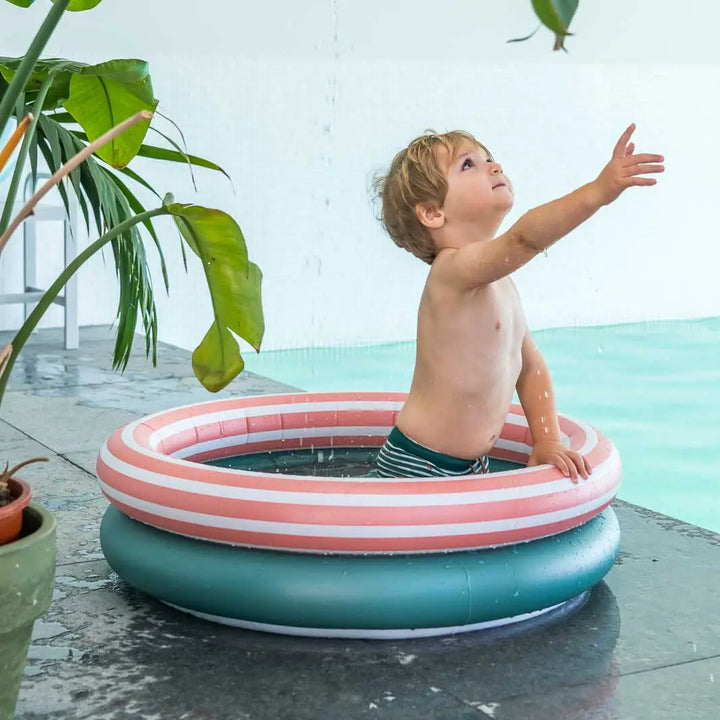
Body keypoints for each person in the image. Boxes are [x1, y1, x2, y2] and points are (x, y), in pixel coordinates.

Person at [369, 124, 663, 481]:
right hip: (419, 465)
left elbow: (530, 366)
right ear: (432, 213)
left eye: (490, 158)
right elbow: (522, 240)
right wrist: (597, 192)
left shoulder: (500, 282)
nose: (494, 167)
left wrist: (548, 440)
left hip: (471, 466)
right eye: (468, 164)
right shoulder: (452, 272)